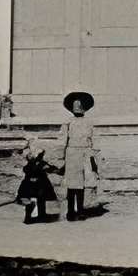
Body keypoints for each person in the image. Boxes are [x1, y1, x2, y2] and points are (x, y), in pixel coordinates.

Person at [49, 90, 101, 221]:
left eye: (80, 105)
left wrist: (94, 155)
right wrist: (59, 158)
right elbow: (62, 141)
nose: (77, 108)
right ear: (71, 108)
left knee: (82, 184)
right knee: (72, 184)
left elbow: (95, 140)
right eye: (75, 105)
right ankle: (71, 212)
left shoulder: (90, 122)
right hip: (71, 154)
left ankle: (81, 211)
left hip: (85, 154)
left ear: (85, 107)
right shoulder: (67, 122)